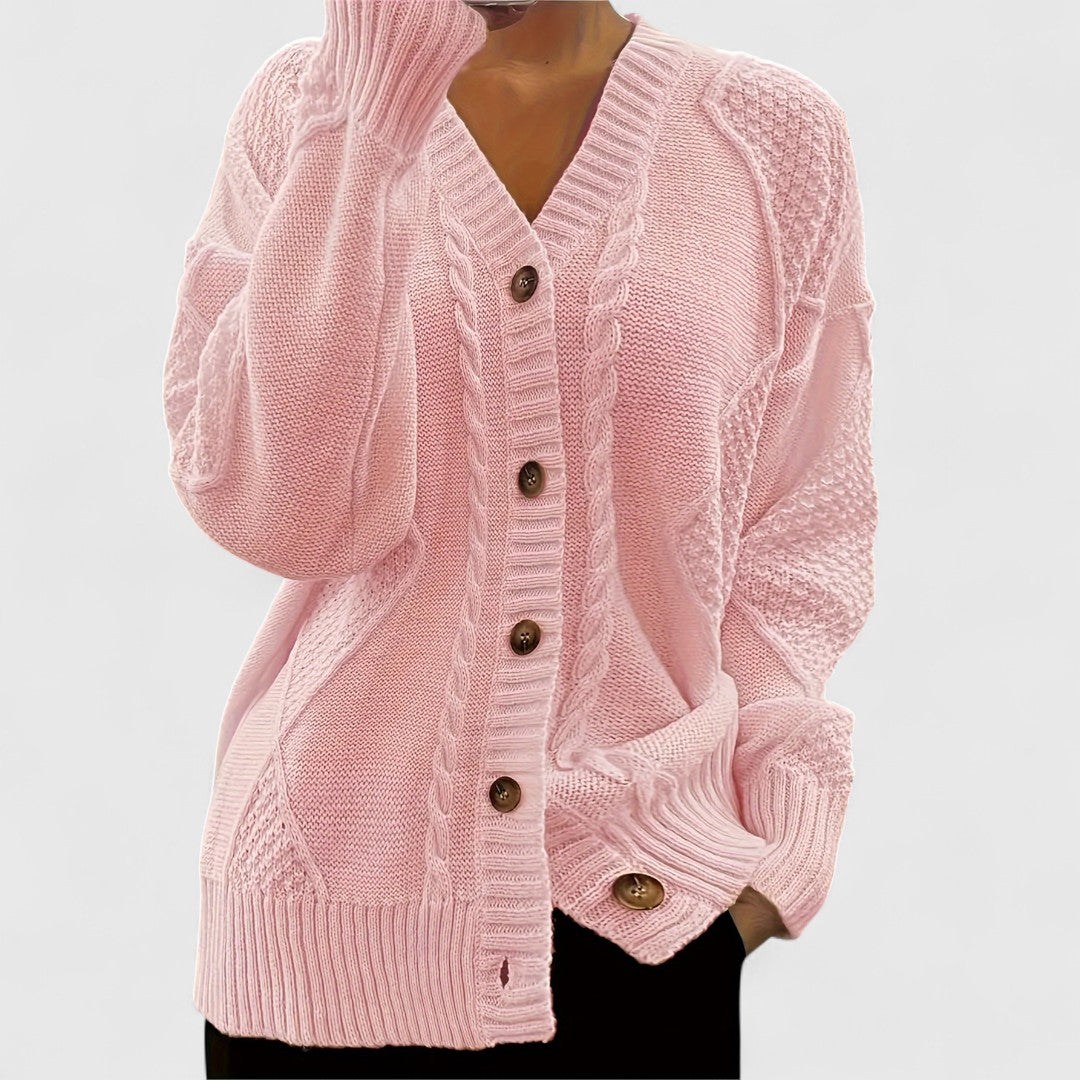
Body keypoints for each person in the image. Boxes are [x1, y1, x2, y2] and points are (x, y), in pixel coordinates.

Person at [162, 2, 877, 1077]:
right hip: (321, 934)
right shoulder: (306, 108)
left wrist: (779, 851)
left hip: (643, 917)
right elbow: (286, 512)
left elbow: (801, 532)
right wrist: (368, 112)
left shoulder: (772, 136)